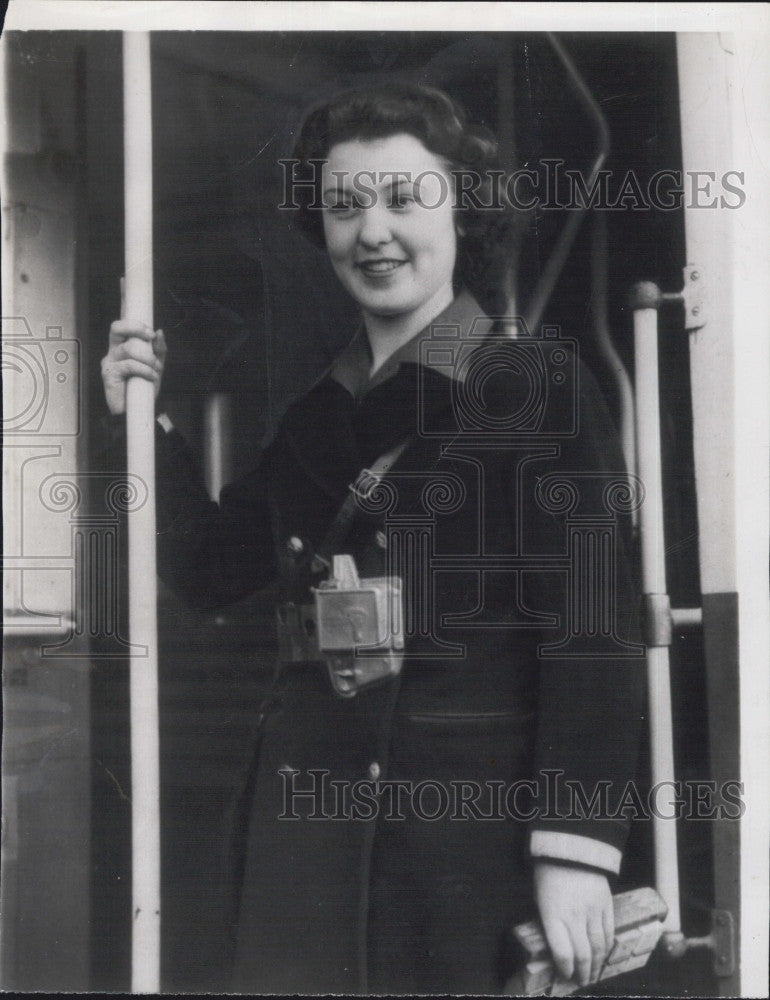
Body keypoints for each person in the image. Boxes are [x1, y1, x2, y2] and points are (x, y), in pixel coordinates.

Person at [101, 83, 645, 994]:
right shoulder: (318, 415)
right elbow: (210, 569)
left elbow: (594, 628)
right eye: (345, 207)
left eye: (405, 200)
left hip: (460, 844)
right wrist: (141, 428)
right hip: (306, 837)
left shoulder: (535, 386)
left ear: (464, 215)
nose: (374, 232)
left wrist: (576, 853)